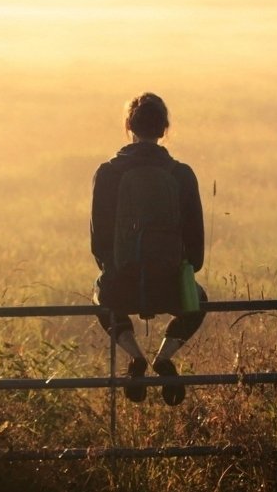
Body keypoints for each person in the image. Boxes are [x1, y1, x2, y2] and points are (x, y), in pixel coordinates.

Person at [90, 92, 208, 406]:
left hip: (123, 287)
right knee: (200, 301)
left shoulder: (108, 174)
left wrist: (117, 271)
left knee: (100, 297)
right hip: (170, 286)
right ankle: (164, 356)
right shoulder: (181, 174)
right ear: (164, 128)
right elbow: (196, 250)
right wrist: (179, 269)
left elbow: (98, 242)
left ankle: (135, 356)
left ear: (128, 126)